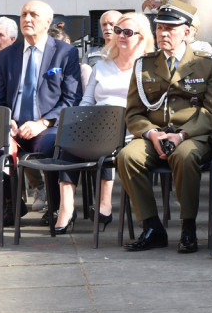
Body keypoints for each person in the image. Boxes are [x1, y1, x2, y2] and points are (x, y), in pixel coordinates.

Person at [117, 0, 212, 254]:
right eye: (160, 28)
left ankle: (188, 226)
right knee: (127, 156)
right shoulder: (144, 64)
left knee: (185, 156)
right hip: (155, 136)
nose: (163, 33)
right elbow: (133, 113)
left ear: (186, 32)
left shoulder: (207, 63)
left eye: (170, 28)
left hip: (194, 135)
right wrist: (152, 134)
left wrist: (183, 134)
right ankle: (152, 226)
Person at [62, 13, 155, 234]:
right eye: (118, 31)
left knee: (106, 136)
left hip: (130, 128)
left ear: (142, 38)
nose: (122, 36)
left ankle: (104, 202)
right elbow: (87, 100)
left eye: (129, 32)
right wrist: (79, 122)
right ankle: (65, 208)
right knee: (67, 140)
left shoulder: (149, 68)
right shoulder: (101, 66)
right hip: (97, 124)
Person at [0, 0, 83, 225]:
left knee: (55, 146)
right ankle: (12, 203)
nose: (27, 19)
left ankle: (55, 207)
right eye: (23, 14)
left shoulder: (65, 53)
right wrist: (8, 121)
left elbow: (71, 99)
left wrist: (42, 123)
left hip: (46, 127)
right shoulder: (6, 56)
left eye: (34, 14)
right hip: (15, 126)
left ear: (48, 21)